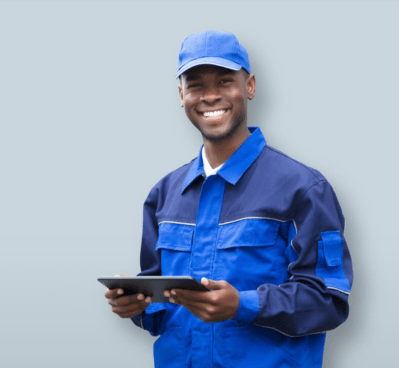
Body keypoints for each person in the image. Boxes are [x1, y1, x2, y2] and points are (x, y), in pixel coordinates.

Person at [104, 30, 353, 368]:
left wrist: (244, 304)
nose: (210, 96)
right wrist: (139, 307)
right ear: (181, 95)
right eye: (195, 85)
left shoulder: (304, 188)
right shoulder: (163, 195)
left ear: (249, 86)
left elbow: (328, 300)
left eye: (224, 81)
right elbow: (163, 314)